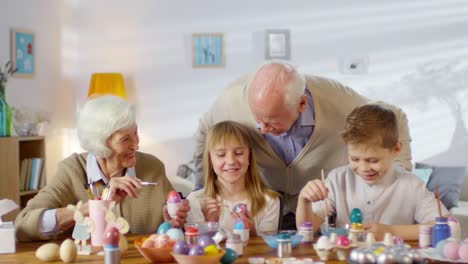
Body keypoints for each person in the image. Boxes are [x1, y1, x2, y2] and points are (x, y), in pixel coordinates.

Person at [193, 61, 412, 229]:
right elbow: (205, 129)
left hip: (314, 206)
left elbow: (394, 115)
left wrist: (399, 172)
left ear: (301, 104)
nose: (261, 128)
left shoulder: (337, 100)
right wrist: (204, 187)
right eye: (256, 119)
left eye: (271, 122)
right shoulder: (233, 98)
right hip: (265, 207)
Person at [15, 95, 190, 241]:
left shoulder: (153, 167)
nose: (136, 145)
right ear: (101, 143)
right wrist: (92, 207)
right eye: (125, 139)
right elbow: (23, 225)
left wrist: (175, 220)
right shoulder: (72, 171)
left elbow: (175, 225)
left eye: (135, 133)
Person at [295, 104, 448, 240]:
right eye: (354, 159)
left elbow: (450, 227)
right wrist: (304, 201)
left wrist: (391, 231)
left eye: (372, 161)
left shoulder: (411, 185)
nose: (363, 168)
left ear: (396, 149)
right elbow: (307, 230)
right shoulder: (338, 179)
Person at [187, 121, 280, 234]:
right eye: (221, 155)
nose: (231, 161)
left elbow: (268, 250)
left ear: (249, 157)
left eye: (239, 153)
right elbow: (196, 249)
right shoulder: (195, 202)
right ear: (210, 160)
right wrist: (209, 225)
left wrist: (253, 234)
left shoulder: (269, 201)